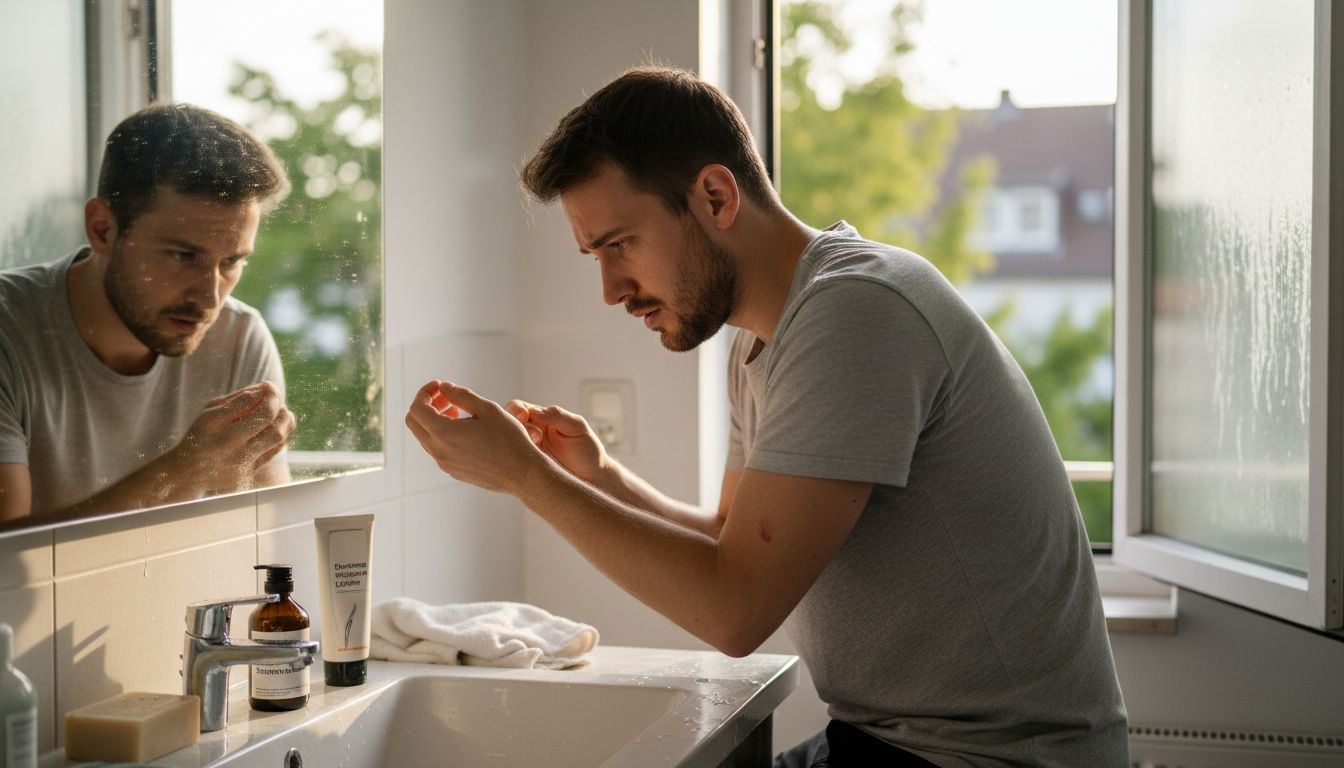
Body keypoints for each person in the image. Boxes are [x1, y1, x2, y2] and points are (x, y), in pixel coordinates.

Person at [404, 67, 1127, 767]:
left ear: (716, 196)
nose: (611, 289)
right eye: (596, 254)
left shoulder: (857, 312)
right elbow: (733, 540)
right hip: (892, 743)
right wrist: (597, 477)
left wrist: (529, 480)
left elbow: (735, 610)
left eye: (620, 244)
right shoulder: (761, 335)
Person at [0, 103, 295, 524]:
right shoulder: (9, 330)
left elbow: (266, 539)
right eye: (183, 255)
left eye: (231, 262)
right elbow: (7, 564)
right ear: (102, 228)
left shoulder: (238, 337)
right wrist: (186, 468)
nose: (210, 297)